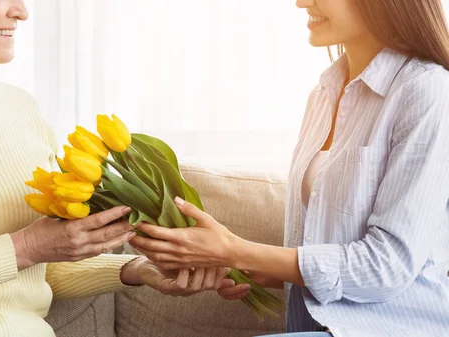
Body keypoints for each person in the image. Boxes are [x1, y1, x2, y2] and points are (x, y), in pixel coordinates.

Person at [0, 1, 232, 336]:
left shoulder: (21, 110)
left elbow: (34, 269)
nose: (22, 11)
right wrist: (28, 245)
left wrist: (137, 269)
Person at [131, 0, 449, 336]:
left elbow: (388, 266)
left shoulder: (427, 90)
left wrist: (236, 250)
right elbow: (325, 248)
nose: (301, 2)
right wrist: (241, 264)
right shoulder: (323, 95)